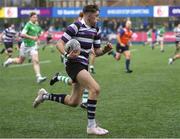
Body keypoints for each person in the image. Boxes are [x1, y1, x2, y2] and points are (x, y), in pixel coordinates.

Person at [33, 5, 112, 135]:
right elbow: (59, 44)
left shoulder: (96, 29)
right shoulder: (75, 26)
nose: (98, 18)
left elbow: (96, 52)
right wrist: (66, 55)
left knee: (73, 101)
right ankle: (91, 127)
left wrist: (105, 50)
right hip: (73, 64)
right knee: (95, 89)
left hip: (84, 64)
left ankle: (44, 95)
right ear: (88, 15)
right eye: (96, 16)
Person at [3, 12, 46, 84]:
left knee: (36, 60)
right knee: (20, 61)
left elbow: (38, 34)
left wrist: (37, 39)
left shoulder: (36, 26)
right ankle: (10, 60)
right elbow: (22, 34)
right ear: (31, 18)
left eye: (36, 17)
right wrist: (32, 37)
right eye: (34, 17)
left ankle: (38, 77)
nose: (36, 18)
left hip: (33, 46)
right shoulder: (28, 25)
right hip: (25, 46)